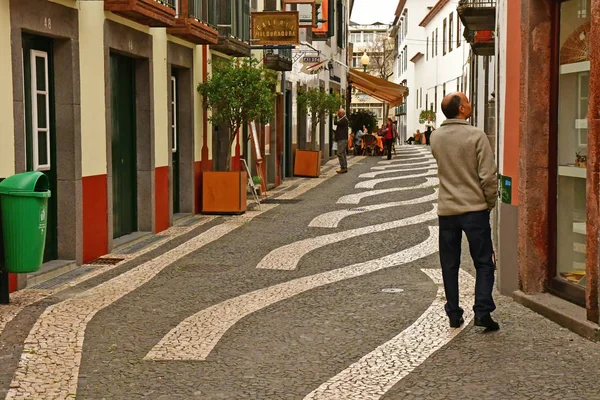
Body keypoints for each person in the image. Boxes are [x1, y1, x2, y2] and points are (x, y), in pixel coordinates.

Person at [430, 92, 499, 331]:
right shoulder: (476, 136)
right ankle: (482, 311)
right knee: (484, 262)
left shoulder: (435, 137)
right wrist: (489, 202)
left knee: (449, 263)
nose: (470, 104)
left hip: (447, 210)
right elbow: (488, 176)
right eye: (467, 101)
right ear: (461, 109)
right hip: (474, 209)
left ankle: (453, 313)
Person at [335, 108, 349, 174]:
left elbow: (336, 123)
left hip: (342, 139)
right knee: (343, 153)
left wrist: (335, 116)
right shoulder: (344, 119)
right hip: (342, 138)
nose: (338, 115)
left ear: (342, 114)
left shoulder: (344, 120)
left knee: (339, 153)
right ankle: (344, 167)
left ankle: (343, 167)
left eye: (339, 113)